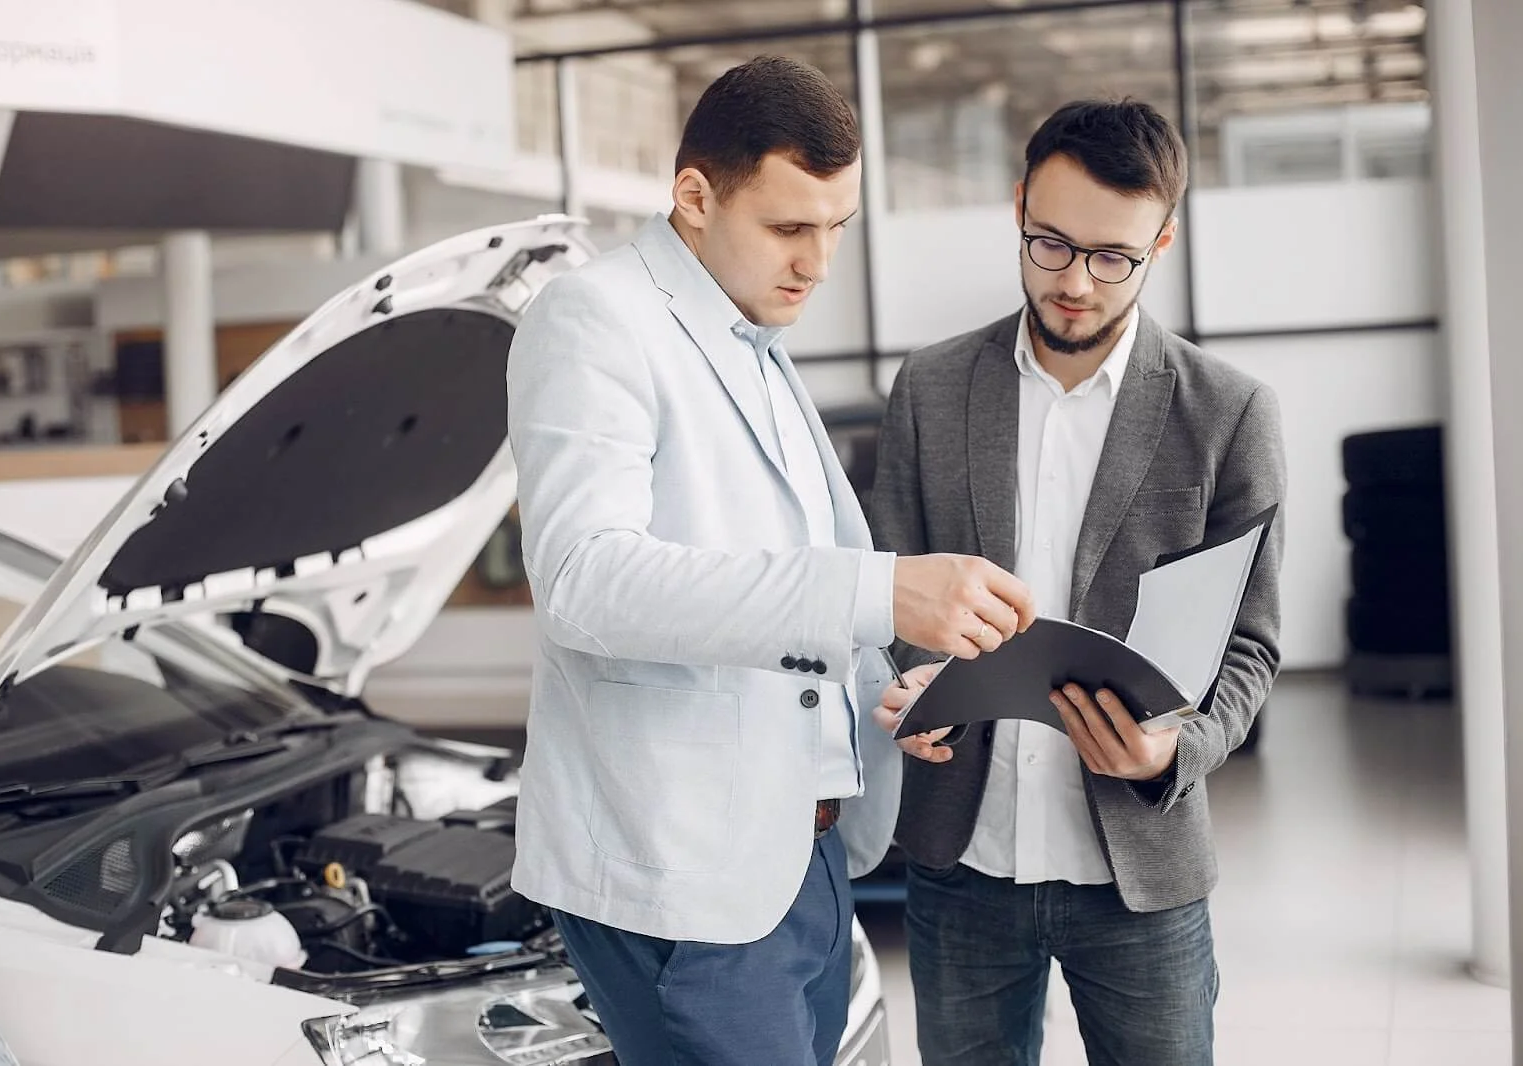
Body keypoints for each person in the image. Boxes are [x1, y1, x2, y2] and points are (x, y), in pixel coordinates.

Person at [504, 56, 1034, 1066]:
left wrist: (889, 685)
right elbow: (584, 579)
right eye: (791, 228)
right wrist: (882, 590)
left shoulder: (748, 329)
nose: (819, 263)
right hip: (688, 876)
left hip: (809, 853)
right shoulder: (594, 320)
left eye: (837, 228)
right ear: (693, 197)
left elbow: (786, 573)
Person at [868, 98, 1286, 1066]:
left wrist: (1169, 751)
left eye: (1112, 258)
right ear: (1017, 206)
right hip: (960, 862)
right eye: (1048, 244)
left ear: (1161, 239)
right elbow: (891, 585)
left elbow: (1251, 644)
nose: (1074, 282)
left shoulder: (1228, 412)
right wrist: (914, 676)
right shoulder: (929, 389)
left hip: (1138, 873)